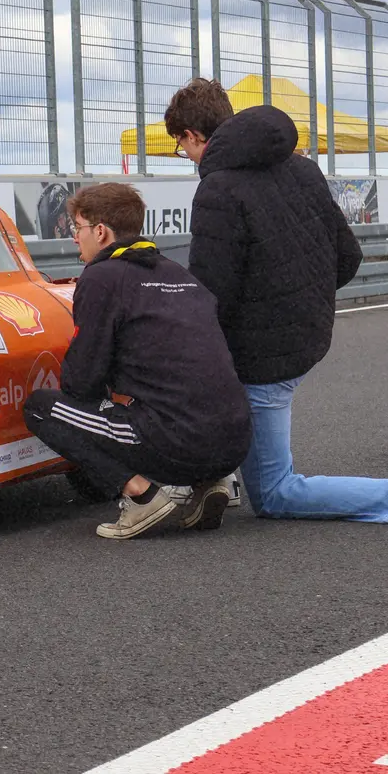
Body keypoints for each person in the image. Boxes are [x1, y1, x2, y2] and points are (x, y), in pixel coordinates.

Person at [165, 78, 388, 522]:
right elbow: (349, 255)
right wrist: (303, 301)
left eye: (180, 147)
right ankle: (219, 472)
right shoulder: (301, 167)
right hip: (308, 334)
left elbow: (213, 296)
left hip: (265, 359)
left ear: (193, 136)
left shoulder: (218, 189)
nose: (186, 157)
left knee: (275, 493)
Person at [23, 183, 252, 539]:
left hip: (180, 442)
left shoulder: (101, 278)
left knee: (41, 408)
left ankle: (142, 496)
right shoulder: (179, 273)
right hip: (236, 439)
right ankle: (212, 483)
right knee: (173, 399)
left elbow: (81, 381)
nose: (74, 240)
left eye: (77, 229)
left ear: (100, 232)